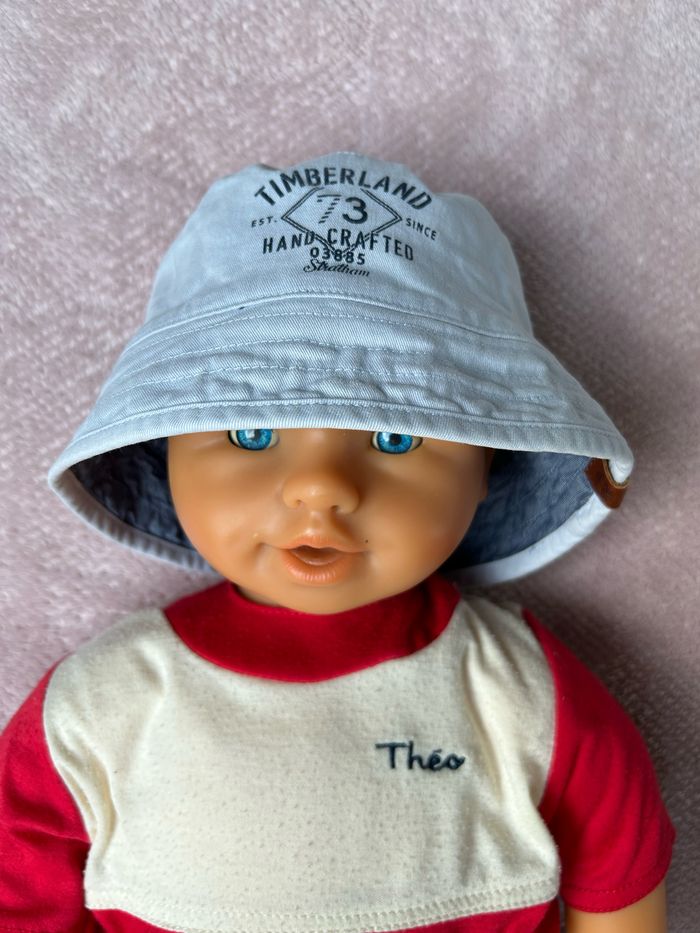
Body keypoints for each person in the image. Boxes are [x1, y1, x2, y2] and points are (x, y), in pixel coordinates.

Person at [0, 153, 674, 931]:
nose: (320, 487)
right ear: (164, 449)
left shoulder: (519, 696)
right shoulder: (99, 707)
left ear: (488, 465)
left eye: (395, 435)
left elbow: (618, 874)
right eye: (252, 431)